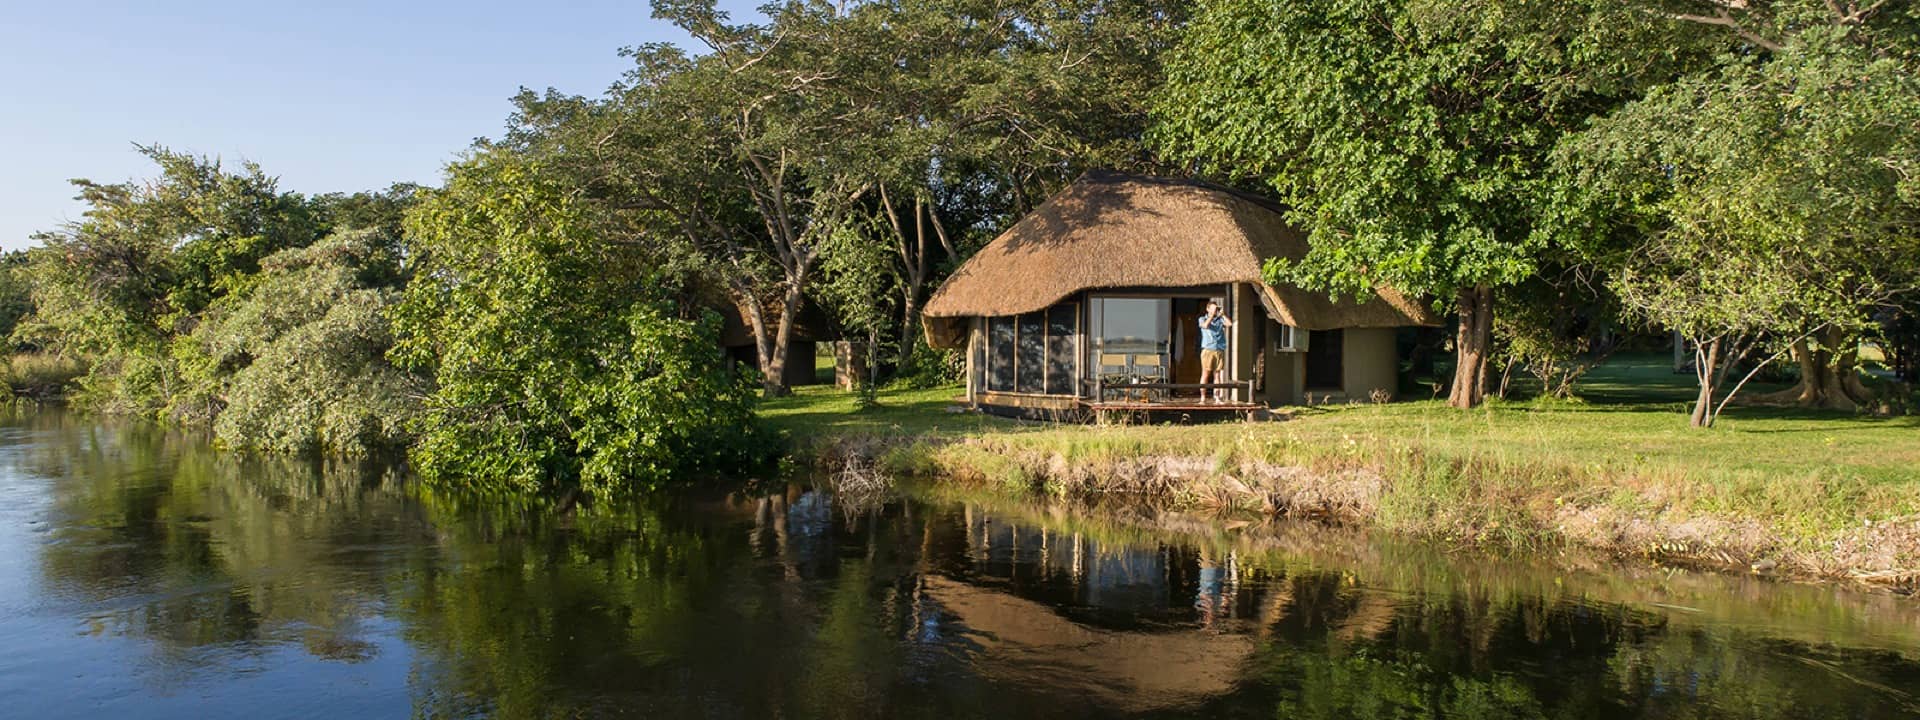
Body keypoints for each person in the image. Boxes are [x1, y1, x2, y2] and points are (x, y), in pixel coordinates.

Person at [1198, 300, 1232, 402]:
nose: (1214, 311)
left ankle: (1217, 397)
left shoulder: (1219, 319)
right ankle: (1202, 397)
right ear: (1207, 309)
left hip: (1219, 349)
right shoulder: (1202, 319)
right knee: (1205, 374)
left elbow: (1229, 324)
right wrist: (1211, 316)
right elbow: (1205, 326)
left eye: (1215, 309)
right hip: (1208, 349)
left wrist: (1223, 315)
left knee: (1217, 375)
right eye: (1212, 309)